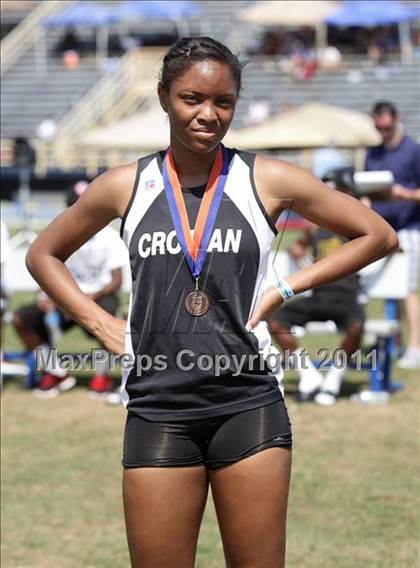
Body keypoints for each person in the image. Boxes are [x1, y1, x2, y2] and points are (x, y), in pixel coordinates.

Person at [25, 37, 398, 567]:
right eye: (192, 98)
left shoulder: (265, 179)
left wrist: (285, 287)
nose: (208, 114)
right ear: (163, 98)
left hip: (248, 406)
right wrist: (99, 323)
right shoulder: (124, 185)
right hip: (158, 409)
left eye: (223, 102)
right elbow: (43, 254)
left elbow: (377, 235)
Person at [13, 181, 127, 399]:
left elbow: (116, 281)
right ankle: (56, 372)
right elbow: (46, 267)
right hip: (64, 297)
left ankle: (101, 376)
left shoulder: (109, 237)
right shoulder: (60, 236)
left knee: (109, 317)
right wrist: (45, 295)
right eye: (76, 204)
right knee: (22, 318)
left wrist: (87, 298)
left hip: (98, 295)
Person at [268, 169, 365, 406]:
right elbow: (297, 246)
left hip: (346, 296)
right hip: (320, 294)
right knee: (275, 320)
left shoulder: (356, 222)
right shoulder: (314, 226)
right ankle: (309, 376)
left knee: (357, 326)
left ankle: (333, 379)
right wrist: (300, 254)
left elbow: (386, 243)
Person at [365, 101, 420, 369]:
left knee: (407, 289)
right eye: (378, 126)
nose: (383, 131)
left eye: (386, 125)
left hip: (409, 228)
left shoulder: (413, 151)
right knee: (389, 288)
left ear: (395, 121)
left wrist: (403, 194)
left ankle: (415, 347)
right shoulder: (372, 154)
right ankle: (396, 344)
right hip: (381, 230)